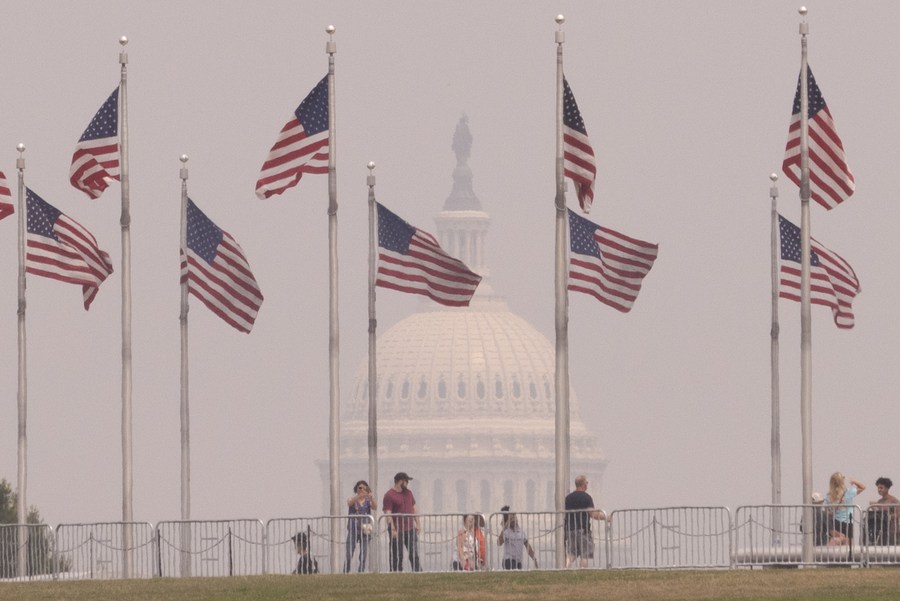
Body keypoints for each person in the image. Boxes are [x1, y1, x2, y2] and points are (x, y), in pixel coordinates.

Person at [564, 475, 606, 568]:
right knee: (585, 554)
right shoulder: (587, 498)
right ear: (583, 485)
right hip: (582, 529)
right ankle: (583, 571)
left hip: (570, 529)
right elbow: (593, 514)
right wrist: (606, 517)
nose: (587, 485)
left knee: (572, 553)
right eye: (586, 483)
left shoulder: (568, 498)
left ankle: (565, 568)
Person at [382, 471, 421, 572]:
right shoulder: (389, 495)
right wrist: (393, 528)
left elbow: (414, 508)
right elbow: (388, 513)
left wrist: (418, 523)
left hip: (410, 528)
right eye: (406, 481)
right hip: (397, 529)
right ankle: (396, 572)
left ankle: (418, 572)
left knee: (414, 554)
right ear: (400, 482)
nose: (407, 483)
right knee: (397, 554)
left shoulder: (409, 493)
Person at [824, 472, 865, 545]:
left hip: (835, 522)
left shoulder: (828, 496)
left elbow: (827, 511)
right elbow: (863, 487)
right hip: (848, 521)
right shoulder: (849, 492)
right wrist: (854, 481)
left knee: (837, 547)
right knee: (849, 547)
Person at [344, 479, 376, 573]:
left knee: (363, 553)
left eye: (364, 488)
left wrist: (371, 498)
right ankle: (346, 570)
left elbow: (375, 507)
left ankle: (361, 571)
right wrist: (358, 496)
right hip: (353, 528)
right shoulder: (352, 499)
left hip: (365, 529)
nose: (362, 490)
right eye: (360, 488)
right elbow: (349, 503)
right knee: (349, 552)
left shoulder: (367, 501)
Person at [867, 477, 899, 545]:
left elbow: (898, 513)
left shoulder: (893, 500)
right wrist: (873, 507)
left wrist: (889, 516)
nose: (879, 490)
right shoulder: (880, 501)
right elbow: (879, 514)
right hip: (882, 531)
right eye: (878, 488)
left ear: (887, 489)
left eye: (881, 488)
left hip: (893, 530)